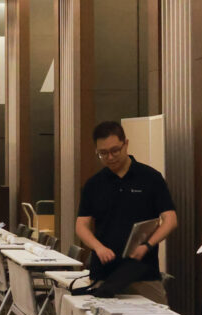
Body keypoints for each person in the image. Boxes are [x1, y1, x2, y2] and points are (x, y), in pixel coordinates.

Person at [75, 120, 178, 302]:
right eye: (103, 153)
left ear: (126, 144)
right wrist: (98, 248)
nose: (110, 157)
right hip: (104, 274)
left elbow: (170, 220)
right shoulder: (94, 184)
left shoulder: (151, 178)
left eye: (115, 150)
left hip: (143, 272)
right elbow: (81, 225)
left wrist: (147, 245)